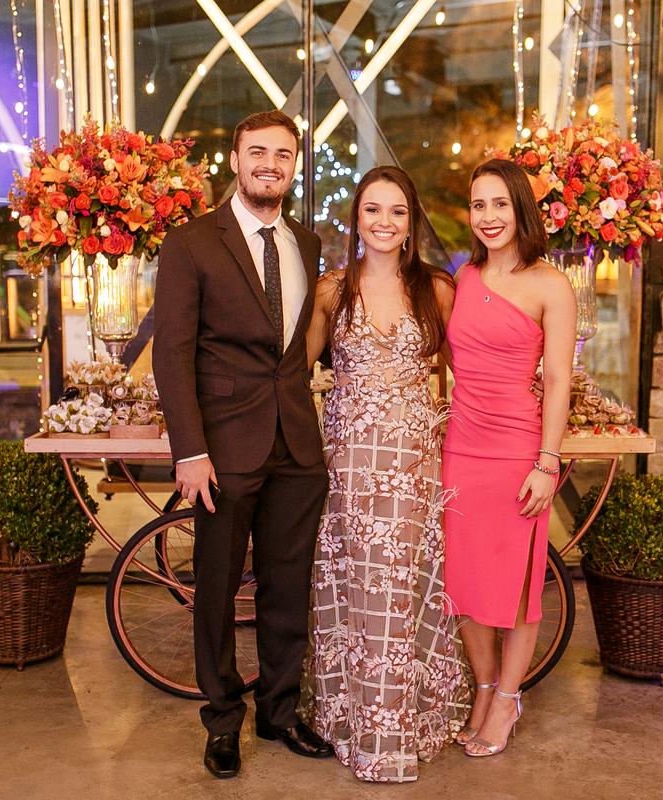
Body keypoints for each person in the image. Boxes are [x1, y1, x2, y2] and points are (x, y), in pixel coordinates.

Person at [151, 110, 334, 779]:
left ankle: (280, 713)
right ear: (234, 160)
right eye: (257, 152)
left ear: (294, 165)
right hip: (223, 449)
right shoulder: (191, 243)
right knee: (217, 589)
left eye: (282, 155)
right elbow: (171, 354)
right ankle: (223, 720)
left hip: (296, 446)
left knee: (289, 586)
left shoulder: (307, 242)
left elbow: (298, 348)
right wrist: (189, 450)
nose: (270, 165)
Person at [304, 166, 468, 782]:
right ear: (357, 218)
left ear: (411, 221)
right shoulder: (331, 290)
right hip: (348, 463)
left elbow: (467, 370)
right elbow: (296, 371)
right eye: (373, 209)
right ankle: (355, 719)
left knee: (403, 587)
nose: (384, 222)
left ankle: (401, 725)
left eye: (397, 211)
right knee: (357, 586)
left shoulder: (437, 289)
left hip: (413, 464)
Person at [441, 158, 575, 757]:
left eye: (500, 203)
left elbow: (559, 380)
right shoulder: (464, 277)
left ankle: (508, 699)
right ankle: (483, 688)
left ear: (521, 208)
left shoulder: (551, 285)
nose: (488, 216)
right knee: (464, 583)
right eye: (479, 205)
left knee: (516, 587)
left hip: (519, 452)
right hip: (460, 448)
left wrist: (547, 463)